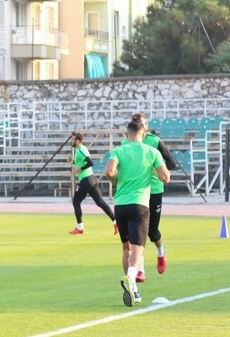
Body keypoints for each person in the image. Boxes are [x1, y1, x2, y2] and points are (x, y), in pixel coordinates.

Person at [104, 120, 170, 307]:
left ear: (127, 134)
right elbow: (166, 177)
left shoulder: (119, 150)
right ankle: (131, 278)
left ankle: (133, 290)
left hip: (120, 205)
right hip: (140, 204)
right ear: (144, 133)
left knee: (126, 247)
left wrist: (118, 179)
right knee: (139, 246)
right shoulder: (151, 152)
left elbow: (109, 172)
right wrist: (151, 173)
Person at [123, 113, 178, 283]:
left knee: (153, 232)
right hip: (136, 192)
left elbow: (172, 164)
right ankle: (140, 271)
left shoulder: (154, 141)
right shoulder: (126, 143)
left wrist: (155, 170)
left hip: (153, 190)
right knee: (138, 234)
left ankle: (161, 253)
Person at [67, 132, 118, 235]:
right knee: (100, 202)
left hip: (86, 180)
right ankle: (115, 222)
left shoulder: (80, 150)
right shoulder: (81, 149)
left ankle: (80, 227)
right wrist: (72, 162)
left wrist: (79, 169)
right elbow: (81, 162)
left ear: (77, 141)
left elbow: (90, 162)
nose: (71, 141)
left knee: (76, 202)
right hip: (91, 179)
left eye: (72, 140)